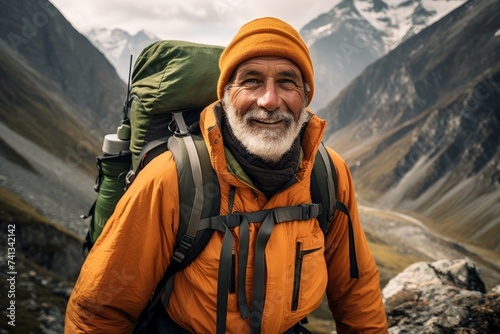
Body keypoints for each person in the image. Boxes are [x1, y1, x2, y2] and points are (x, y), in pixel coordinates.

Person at [65, 17, 388, 333]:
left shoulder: (328, 173)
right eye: (251, 81)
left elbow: (355, 290)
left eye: (287, 82)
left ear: (305, 96)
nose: (269, 100)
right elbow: (100, 309)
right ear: (226, 94)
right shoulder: (172, 177)